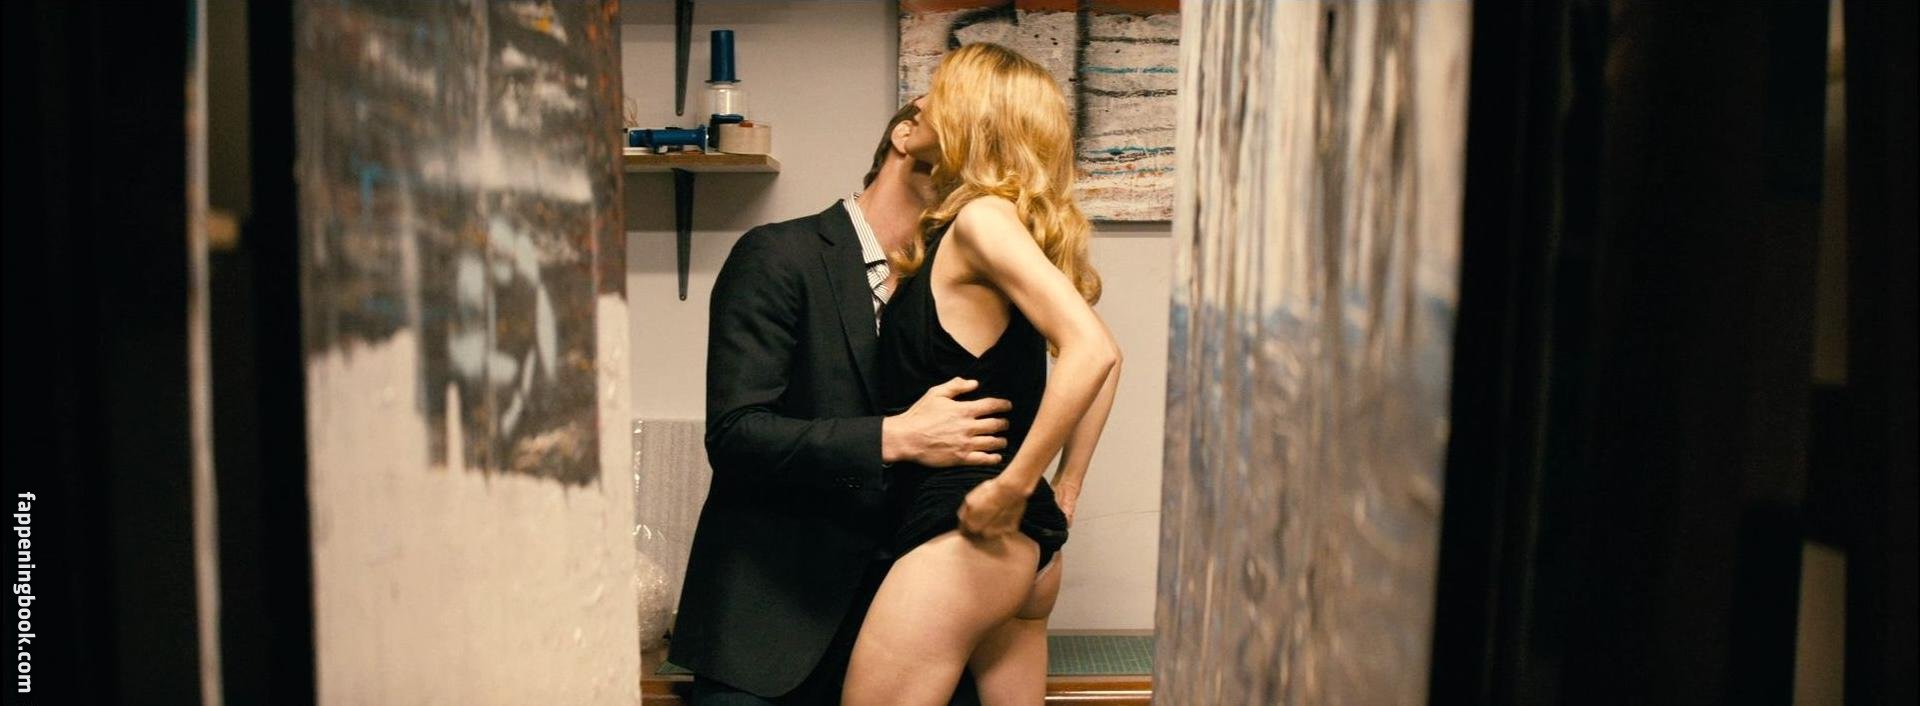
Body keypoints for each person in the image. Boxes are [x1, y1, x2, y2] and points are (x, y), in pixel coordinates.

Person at [670, 100, 1005, 705]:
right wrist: (897, 437)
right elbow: (737, 435)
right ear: (906, 133)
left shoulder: (957, 286)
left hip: (909, 633)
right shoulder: (777, 255)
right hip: (765, 638)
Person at [844, 43, 1124, 706]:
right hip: (1020, 550)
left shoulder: (980, 219)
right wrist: (1061, 492)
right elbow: (1108, 354)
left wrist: (1016, 484)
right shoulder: (1002, 225)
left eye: (937, 91)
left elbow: (1093, 351)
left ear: (971, 117)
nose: (920, 103)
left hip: (965, 539)